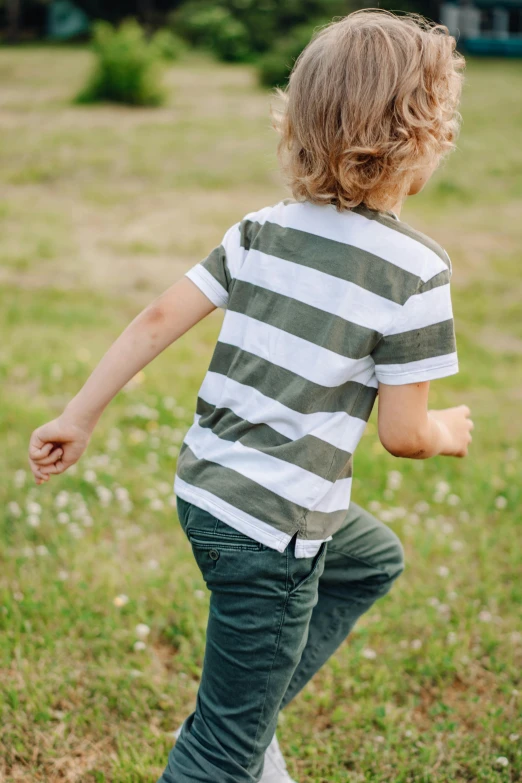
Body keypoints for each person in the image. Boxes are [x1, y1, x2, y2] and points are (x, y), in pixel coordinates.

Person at [28, 9, 473, 783]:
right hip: (273, 532)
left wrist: (78, 414)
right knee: (219, 759)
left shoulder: (262, 229)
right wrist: (446, 431)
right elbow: (403, 433)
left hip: (205, 491)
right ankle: (229, 733)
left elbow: (159, 316)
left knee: (370, 558)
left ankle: (242, 708)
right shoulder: (416, 272)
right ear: (426, 134)